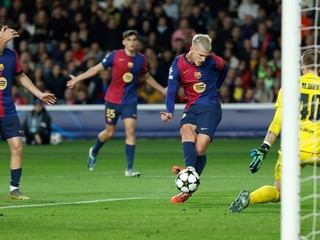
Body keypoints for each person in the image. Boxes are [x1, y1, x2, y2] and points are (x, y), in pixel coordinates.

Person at [229, 49, 320, 213]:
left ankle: (250, 199)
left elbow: (277, 122)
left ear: (302, 66)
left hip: (293, 149)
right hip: (317, 147)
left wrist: (264, 147)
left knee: (279, 191)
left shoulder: (290, 88)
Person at [67, 29, 166, 176]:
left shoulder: (141, 59)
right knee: (109, 133)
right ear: (124, 42)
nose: (132, 42)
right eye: (129, 40)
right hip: (112, 100)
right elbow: (96, 68)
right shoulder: (115, 56)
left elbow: (146, 77)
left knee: (130, 132)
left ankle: (129, 169)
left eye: (134, 40)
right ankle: (93, 151)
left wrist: (162, 90)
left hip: (130, 101)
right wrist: (77, 79)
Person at [160, 34, 228, 203]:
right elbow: (171, 89)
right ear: (192, 49)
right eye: (200, 55)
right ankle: (190, 171)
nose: (204, 59)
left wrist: (217, 87)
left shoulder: (214, 61)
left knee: (199, 149)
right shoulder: (178, 64)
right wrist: (169, 111)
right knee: (186, 132)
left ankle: (188, 185)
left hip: (211, 108)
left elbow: (224, 67)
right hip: (191, 107)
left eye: (207, 55)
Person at [0, 25, 56, 200]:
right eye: (3, 31)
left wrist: (39, 94)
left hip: (7, 109)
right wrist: (2, 41)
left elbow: (21, 77)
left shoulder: (12, 55)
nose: (7, 33)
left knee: (17, 148)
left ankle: (14, 190)